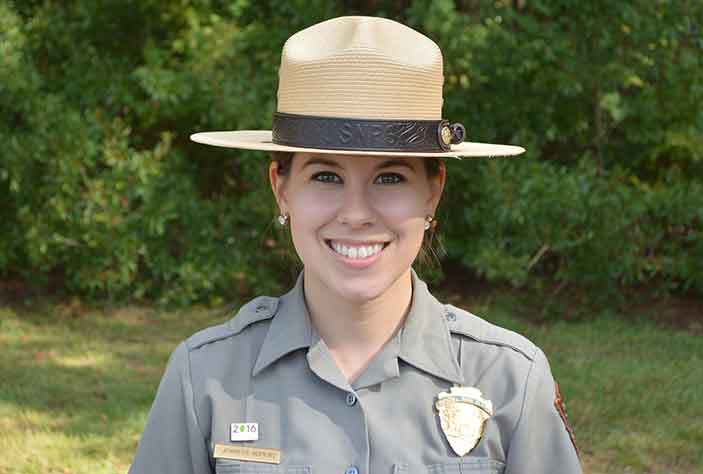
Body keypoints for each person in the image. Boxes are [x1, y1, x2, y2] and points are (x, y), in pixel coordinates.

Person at [129, 16, 582, 474]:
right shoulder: (205, 377)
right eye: (326, 176)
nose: (356, 212)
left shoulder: (510, 381)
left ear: (433, 191)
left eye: (390, 177)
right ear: (281, 188)